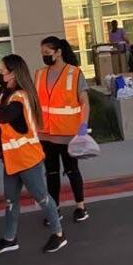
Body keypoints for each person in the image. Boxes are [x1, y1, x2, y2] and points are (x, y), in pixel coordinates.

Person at [0, 55, 66, 255]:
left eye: (3, 70)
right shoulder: (6, 93)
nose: (0, 74)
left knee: (42, 198)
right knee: (10, 200)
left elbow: (2, 115)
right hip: (12, 160)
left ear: (13, 73)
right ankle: (10, 239)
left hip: (27, 159)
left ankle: (58, 234)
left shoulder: (20, 97)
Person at [37, 36, 90, 224]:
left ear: (58, 52)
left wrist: (83, 125)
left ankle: (80, 207)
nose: (44, 56)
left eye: (47, 53)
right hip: (46, 134)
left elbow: (84, 102)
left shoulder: (74, 73)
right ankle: (55, 209)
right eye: (42, 53)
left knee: (72, 170)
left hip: (68, 134)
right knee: (51, 173)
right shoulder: (40, 74)